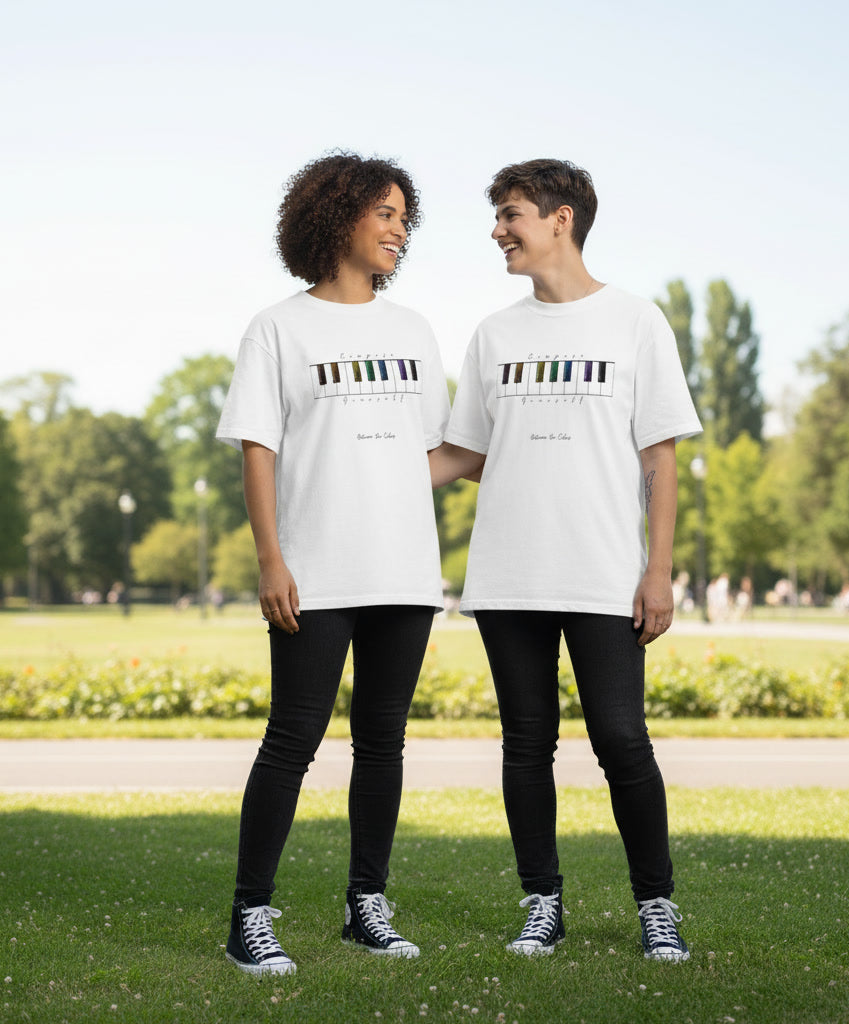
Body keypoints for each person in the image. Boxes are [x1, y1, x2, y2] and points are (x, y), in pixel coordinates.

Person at [430, 158, 702, 962]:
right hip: (508, 572)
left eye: (510, 214)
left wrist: (659, 570)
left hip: (604, 572)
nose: (498, 231)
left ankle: (657, 905)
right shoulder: (494, 334)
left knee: (621, 739)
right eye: (497, 217)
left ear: (561, 219)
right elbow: (465, 453)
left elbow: (659, 458)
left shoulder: (636, 322)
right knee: (526, 743)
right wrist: (361, 464)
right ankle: (541, 902)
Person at [216, 152, 449, 975]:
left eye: (404, 219)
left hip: (405, 570)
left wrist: (532, 450)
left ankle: (366, 906)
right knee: (292, 739)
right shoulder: (278, 329)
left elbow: (429, 455)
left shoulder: (413, 330)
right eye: (385, 213)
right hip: (313, 572)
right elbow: (259, 449)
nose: (399, 231)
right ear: (336, 214)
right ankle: (249, 916)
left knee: (383, 742)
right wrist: (271, 560)